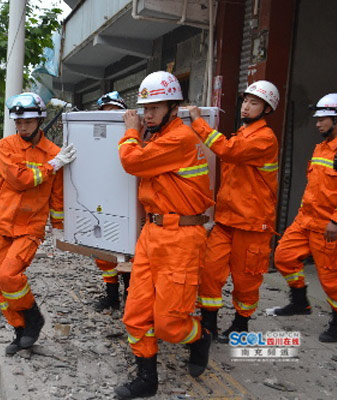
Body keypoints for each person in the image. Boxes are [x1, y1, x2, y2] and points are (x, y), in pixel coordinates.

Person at [115, 71, 214, 399]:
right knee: (136, 314)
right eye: (145, 108)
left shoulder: (180, 139)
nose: (148, 114)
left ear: (174, 107)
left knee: (171, 324)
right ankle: (147, 378)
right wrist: (141, 133)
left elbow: (132, 161)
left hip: (182, 238)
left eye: (156, 107)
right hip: (152, 233)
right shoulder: (159, 138)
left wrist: (130, 132)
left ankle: (200, 337)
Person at [187, 81, 280, 343]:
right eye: (245, 101)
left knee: (246, 280)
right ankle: (209, 324)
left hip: (252, 224)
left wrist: (198, 122)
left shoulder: (264, 138)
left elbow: (228, 151)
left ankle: (241, 325)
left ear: (266, 109)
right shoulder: (243, 132)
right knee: (209, 271)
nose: (246, 107)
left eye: (254, 103)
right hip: (227, 220)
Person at [0, 92, 77, 355]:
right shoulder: (6, 146)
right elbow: (18, 179)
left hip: (30, 227)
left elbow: (57, 193)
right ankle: (21, 330)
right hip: (3, 225)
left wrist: (59, 226)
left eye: (27, 122)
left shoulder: (55, 153)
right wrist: (51, 167)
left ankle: (33, 318)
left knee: (9, 276)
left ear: (39, 120)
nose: (22, 127)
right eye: (18, 122)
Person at [272, 93, 337, 343]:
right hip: (306, 220)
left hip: (330, 226)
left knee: (332, 278)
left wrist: (336, 220)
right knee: (283, 257)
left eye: (322, 118)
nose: (317, 123)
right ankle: (300, 301)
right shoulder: (321, 147)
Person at [92, 91, 131, 312]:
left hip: (126, 199)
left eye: (114, 112)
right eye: (105, 112)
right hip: (103, 199)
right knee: (105, 254)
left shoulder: (135, 134)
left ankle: (130, 297)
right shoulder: (96, 137)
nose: (109, 116)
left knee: (128, 254)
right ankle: (111, 296)